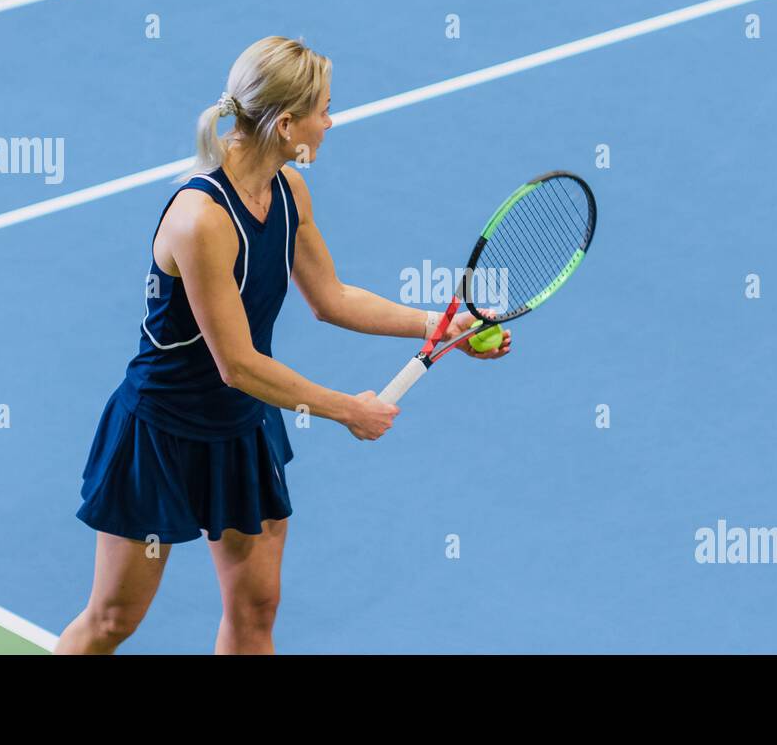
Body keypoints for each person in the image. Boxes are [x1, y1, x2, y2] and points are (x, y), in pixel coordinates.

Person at [55, 36, 510, 654]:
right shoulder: (201, 220)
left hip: (241, 431)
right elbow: (238, 364)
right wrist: (348, 408)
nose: (332, 121)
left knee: (256, 610)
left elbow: (332, 299)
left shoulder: (289, 191)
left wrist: (440, 324)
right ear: (287, 122)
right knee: (113, 621)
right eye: (324, 108)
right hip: (162, 435)